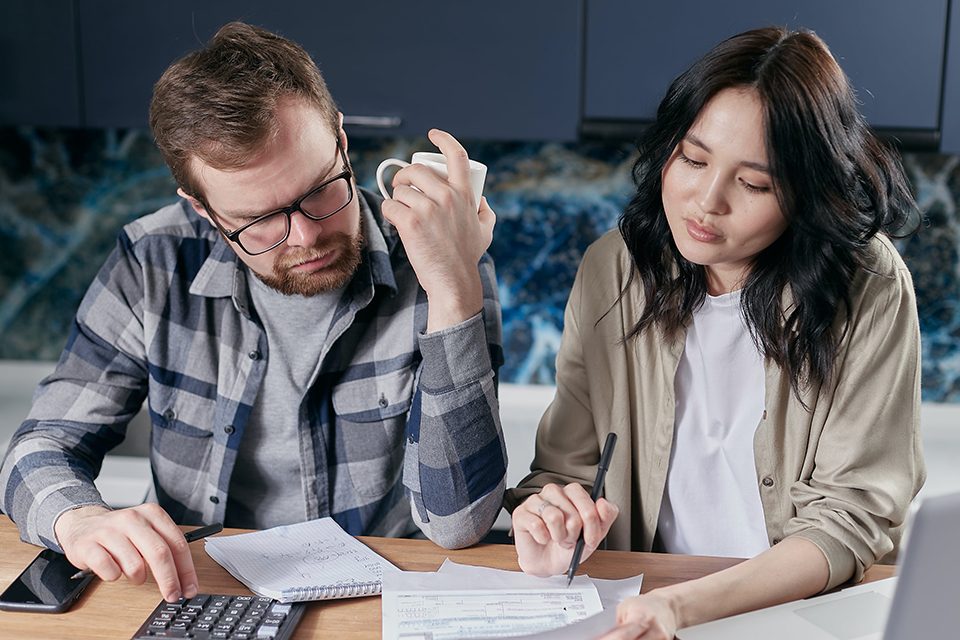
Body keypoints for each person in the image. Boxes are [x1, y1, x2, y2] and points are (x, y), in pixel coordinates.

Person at [0, 22, 507, 604]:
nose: (307, 236)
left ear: (341, 141)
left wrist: (452, 288)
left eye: (319, 190)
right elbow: (40, 446)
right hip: (201, 594)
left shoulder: (442, 257)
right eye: (260, 220)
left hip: (374, 601)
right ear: (203, 209)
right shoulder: (153, 260)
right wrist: (79, 520)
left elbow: (458, 523)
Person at [506, 26, 923, 639]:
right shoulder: (613, 268)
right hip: (641, 608)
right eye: (693, 160)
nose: (706, 201)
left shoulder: (870, 285)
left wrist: (684, 607)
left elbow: (850, 520)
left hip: (801, 617)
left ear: (806, 193)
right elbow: (565, 473)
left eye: (753, 184)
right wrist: (551, 526)